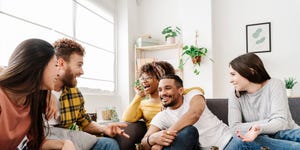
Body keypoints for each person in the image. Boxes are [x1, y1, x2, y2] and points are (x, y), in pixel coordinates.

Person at [46, 38, 129, 150]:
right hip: (46, 143)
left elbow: (85, 123)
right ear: (61, 63)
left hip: (68, 140)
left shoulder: (75, 93)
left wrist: (104, 129)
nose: (82, 71)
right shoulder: (37, 89)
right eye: (79, 65)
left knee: (108, 144)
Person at [141, 74, 260, 150]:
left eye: (168, 88)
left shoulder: (193, 95)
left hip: (229, 141)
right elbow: (143, 143)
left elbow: (194, 114)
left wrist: (165, 136)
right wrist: (152, 139)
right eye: (160, 90)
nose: (162, 93)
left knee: (270, 140)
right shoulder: (161, 116)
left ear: (181, 90)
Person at [0, 38, 75, 150]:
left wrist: (64, 144)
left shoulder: (33, 100)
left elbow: (36, 142)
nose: (58, 73)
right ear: (37, 65)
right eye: (55, 65)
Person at [228, 52, 300, 149]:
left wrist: (260, 128)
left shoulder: (275, 84)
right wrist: (269, 123)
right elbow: (234, 128)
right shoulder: (235, 94)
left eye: (233, 74)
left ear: (251, 71)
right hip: (262, 138)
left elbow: (281, 123)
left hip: (287, 134)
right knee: (240, 140)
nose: (230, 80)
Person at [123, 61, 204, 128]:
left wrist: (176, 92)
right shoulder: (143, 104)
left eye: (148, 77)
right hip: (155, 138)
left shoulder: (173, 99)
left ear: (160, 79)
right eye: (142, 78)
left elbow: (198, 90)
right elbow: (127, 118)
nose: (144, 81)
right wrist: (138, 95)